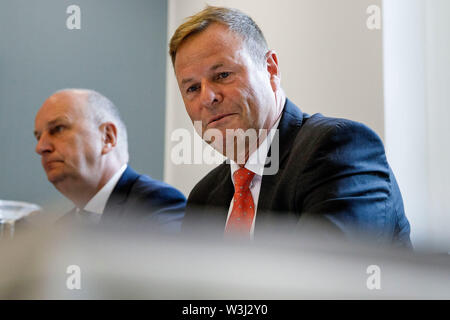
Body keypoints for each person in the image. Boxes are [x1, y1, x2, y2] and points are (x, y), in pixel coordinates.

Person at [169, 6, 411, 246]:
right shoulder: (203, 198)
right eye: (192, 88)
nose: (207, 98)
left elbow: (325, 276)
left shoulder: (339, 149)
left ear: (271, 69)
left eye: (222, 75)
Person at [34, 89, 186, 233]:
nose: (40, 147)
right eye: (38, 137)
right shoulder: (60, 230)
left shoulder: (156, 204)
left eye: (58, 129)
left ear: (107, 137)